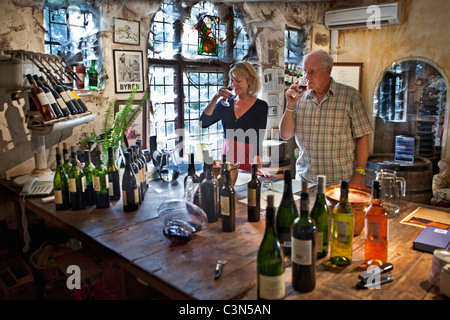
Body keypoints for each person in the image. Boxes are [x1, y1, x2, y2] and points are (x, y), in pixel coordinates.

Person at [279, 50, 372, 186]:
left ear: (328, 71)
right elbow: (285, 135)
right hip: (305, 181)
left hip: (339, 183)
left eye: (312, 71)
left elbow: (362, 136)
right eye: (304, 71)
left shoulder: (350, 96)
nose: (307, 76)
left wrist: (360, 172)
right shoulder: (299, 98)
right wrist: (290, 106)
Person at [200, 61, 269, 175]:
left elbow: (258, 136)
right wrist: (215, 97)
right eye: (232, 80)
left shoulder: (261, 106)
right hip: (228, 156)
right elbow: (203, 122)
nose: (233, 84)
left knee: (246, 189)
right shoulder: (224, 103)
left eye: (238, 81)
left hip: (249, 157)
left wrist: (257, 161)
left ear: (250, 80)